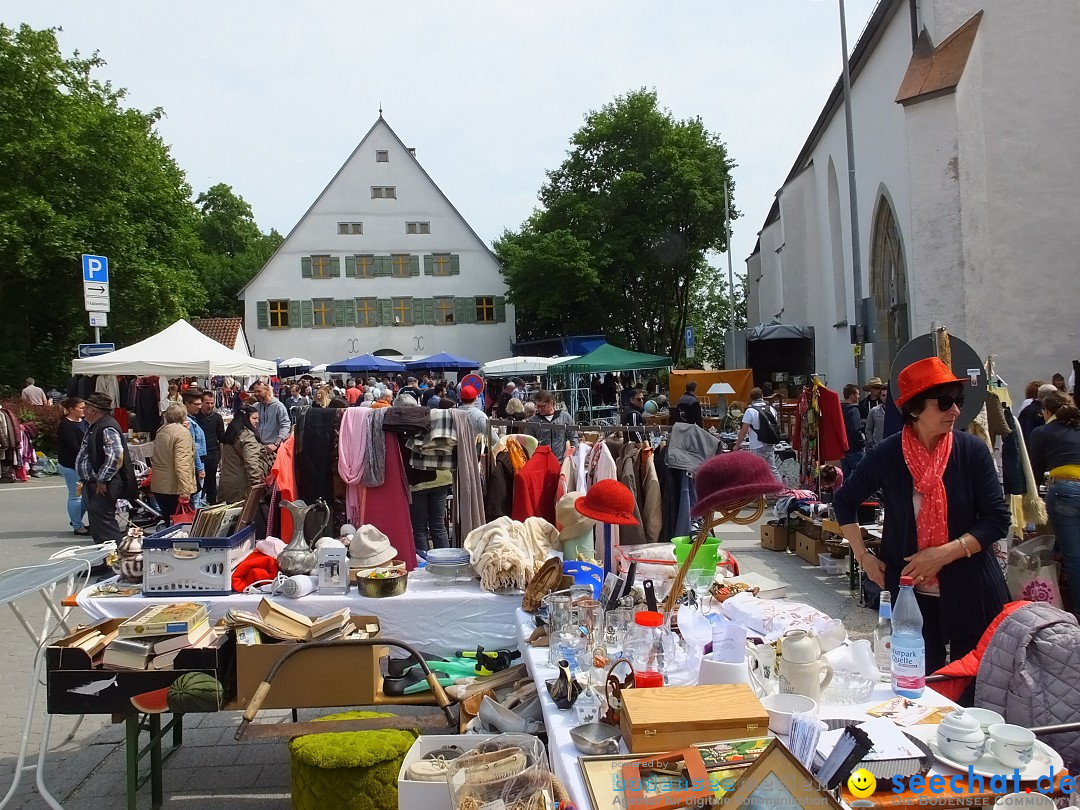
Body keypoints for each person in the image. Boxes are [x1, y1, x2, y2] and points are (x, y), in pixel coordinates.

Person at [834, 356, 1011, 675]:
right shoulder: (888, 454)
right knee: (915, 686)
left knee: (970, 688)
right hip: (909, 594)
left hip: (972, 589)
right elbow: (845, 501)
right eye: (944, 403)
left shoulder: (971, 451)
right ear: (914, 409)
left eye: (958, 401)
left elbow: (997, 519)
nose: (955, 411)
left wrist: (943, 554)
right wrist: (865, 558)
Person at [1028, 391, 1080, 601]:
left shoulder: (1042, 432)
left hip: (1064, 490)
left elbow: (1036, 471)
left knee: (1074, 556)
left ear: (1046, 411)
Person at [75, 393, 135, 545]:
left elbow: (115, 455)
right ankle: (106, 561)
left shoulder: (107, 426)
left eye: (86, 407)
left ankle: (114, 562)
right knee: (99, 526)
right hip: (93, 483)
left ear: (94, 411)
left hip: (102, 485)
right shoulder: (98, 425)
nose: (84, 410)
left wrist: (102, 479)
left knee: (105, 526)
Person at [151, 404, 197, 523]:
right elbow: (182, 464)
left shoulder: (161, 430)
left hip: (160, 486)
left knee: (169, 524)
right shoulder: (182, 434)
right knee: (184, 528)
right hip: (175, 488)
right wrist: (185, 491)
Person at [218, 406, 271, 504]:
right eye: (254, 418)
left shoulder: (232, 433)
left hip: (226, 482)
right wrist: (257, 484)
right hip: (242, 485)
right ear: (246, 418)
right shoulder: (248, 436)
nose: (257, 421)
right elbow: (251, 462)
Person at [735, 387, 782, 485]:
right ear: (762, 396)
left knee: (756, 470)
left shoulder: (750, 411)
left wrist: (737, 445)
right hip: (769, 442)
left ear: (751, 398)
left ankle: (760, 494)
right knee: (772, 468)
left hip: (757, 444)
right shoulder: (771, 409)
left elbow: (744, 431)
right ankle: (780, 489)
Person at [57, 397, 89, 535]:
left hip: (82, 465)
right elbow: (74, 447)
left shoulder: (85, 422)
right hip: (71, 465)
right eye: (80, 408)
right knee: (76, 495)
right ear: (71, 409)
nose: (84, 410)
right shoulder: (66, 425)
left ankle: (76, 519)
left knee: (86, 495)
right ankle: (77, 525)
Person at [193, 391, 226, 504]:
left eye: (212, 403)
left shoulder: (217, 418)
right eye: (207, 403)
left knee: (211, 482)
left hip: (212, 454)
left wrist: (222, 457)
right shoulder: (194, 418)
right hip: (198, 455)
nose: (210, 406)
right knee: (197, 482)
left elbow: (221, 438)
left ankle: (212, 505)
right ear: (201, 403)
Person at [525, 390, 577, 460]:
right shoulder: (533, 421)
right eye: (537, 406)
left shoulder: (565, 417)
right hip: (541, 462)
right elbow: (528, 442)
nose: (539, 409)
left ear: (551, 403)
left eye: (542, 406)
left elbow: (574, 437)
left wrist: (572, 449)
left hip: (560, 461)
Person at [181, 392, 207, 505]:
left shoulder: (192, 420)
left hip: (197, 460)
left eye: (200, 404)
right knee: (196, 497)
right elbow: (192, 447)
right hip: (196, 462)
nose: (199, 407)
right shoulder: (188, 422)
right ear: (186, 404)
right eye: (196, 404)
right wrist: (200, 468)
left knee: (197, 496)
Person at [251, 380, 290, 448]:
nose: (256, 394)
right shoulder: (255, 406)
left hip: (273, 447)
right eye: (255, 391)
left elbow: (286, 425)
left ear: (267, 391)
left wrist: (276, 443)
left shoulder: (278, 406)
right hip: (258, 445)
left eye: (259, 391)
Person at [840, 383, 866, 479]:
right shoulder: (854, 410)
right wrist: (861, 443)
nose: (859, 396)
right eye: (857, 394)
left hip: (843, 448)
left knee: (846, 476)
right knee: (862, 474)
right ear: (852, 395)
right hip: (854, 448)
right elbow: (855, 429)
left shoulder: (839, 409)